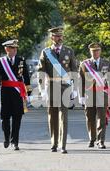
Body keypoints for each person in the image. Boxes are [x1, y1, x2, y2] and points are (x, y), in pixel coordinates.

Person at [38, 26, 78, 154]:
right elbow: (41, 71)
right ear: (52, 38)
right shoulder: (46, 52)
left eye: (61, 36)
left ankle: (63, 145)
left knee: (64, 116)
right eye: (56, 36)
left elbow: (74, 71)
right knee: (52, 116)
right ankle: (54, 143)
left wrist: (75, 88)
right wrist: (41, 89)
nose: (59, 38)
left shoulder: (69, 51)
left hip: (65, 87)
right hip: (51, 87)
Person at [0, 39, 30, 150]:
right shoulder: (1, 61)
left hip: (18, 93)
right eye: (12, 48)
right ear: (6, 49)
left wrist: (29, 92)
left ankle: (15, 141)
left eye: (16, 48)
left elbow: (26, 77)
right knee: (5, 118)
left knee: (17, 118)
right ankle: (6, 138)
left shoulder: (21, 60)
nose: (15, 50)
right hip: (5, 93)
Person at [79, 42, 110, 149]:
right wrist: (81, 96)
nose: (95, 53)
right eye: (93, 51)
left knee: (102, 118)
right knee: (90, 118)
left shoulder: (106, 63)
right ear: (90, 52)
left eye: (97, 50)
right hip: (89, 94)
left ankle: (101, 141)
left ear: (100, 51)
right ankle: (92, 139)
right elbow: (80, 80)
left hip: (102, 94)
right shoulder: (84, 64)